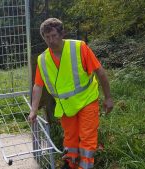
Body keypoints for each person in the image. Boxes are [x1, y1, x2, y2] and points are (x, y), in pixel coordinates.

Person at [28, 18, 114, 169]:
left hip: (87, 100)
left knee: (87, 138)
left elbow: (100, 72)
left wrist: (108, 97)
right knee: (70, 140)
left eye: (54, 35)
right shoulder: (42, 59)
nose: (51, 40)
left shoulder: (79, 47)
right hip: (66, 107)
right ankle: (71, 164)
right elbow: (38, 86)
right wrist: (33, 109)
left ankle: (85, 166)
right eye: (47, 37)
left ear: (62, 34)